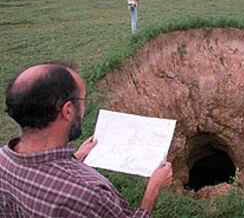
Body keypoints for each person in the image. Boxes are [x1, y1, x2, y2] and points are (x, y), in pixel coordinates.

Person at [0, 62, 173, 217]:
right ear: (67, 110)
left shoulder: (3, 159)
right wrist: (152, 190)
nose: (83, 107)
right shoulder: (88, 194)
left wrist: (76, 157)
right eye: (82, 100)